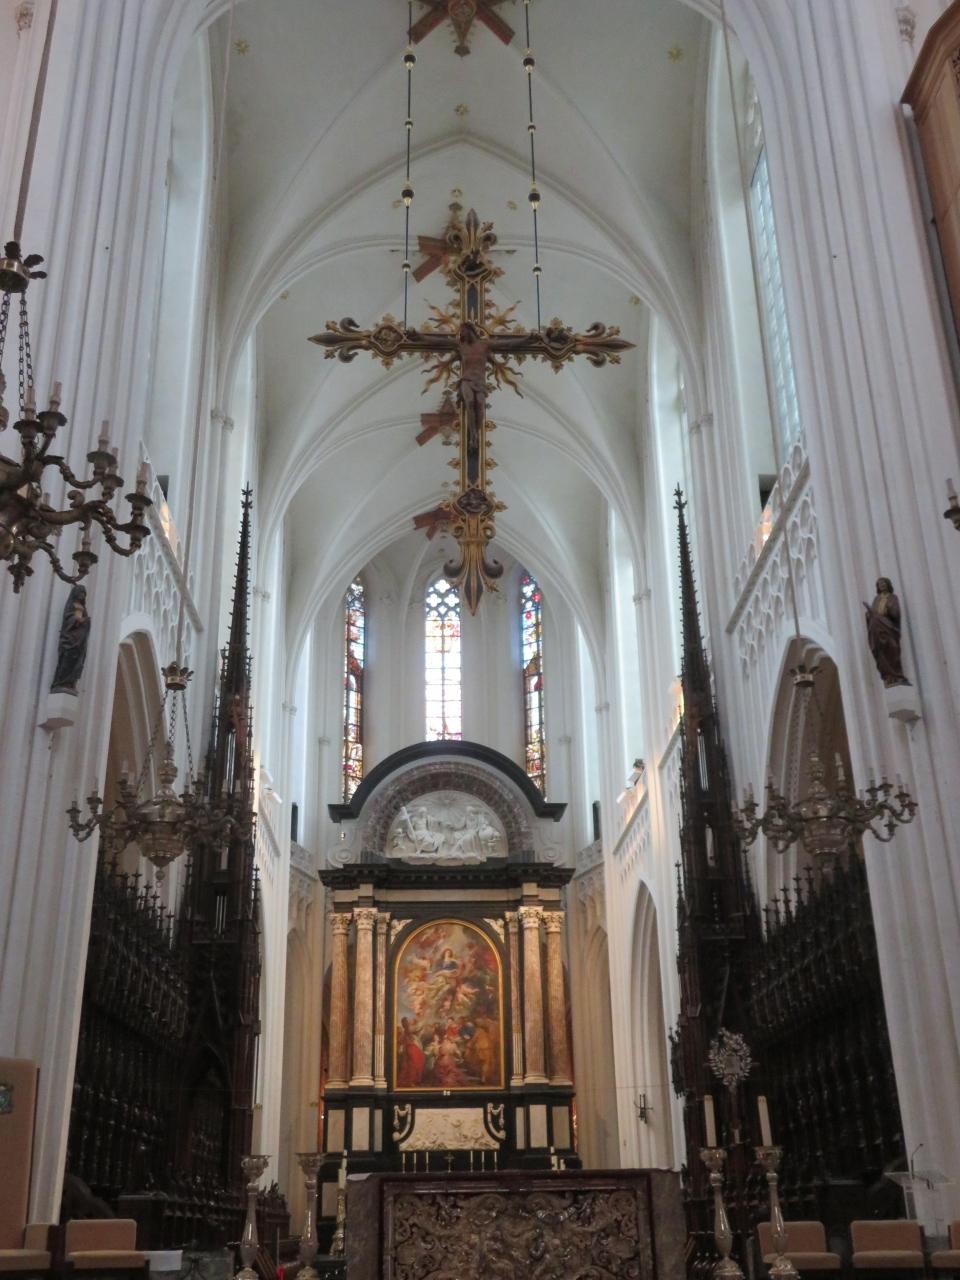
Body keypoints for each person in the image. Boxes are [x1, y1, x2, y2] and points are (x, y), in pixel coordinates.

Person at [863, 577, 910, 687]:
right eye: (880, 584)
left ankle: (896, 675)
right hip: (876, 629)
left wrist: (888, 607)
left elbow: (895, 614)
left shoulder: (893, 597)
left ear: (888, 584)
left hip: (888, 627)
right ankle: (888, 676)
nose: (882, 585)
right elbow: (873, 614)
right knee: (880, 651)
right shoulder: (876, 599)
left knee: (892, 648)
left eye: (883, 583)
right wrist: (869, 614)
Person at [50, 584, 91, 694]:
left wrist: (85, 621)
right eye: (81, 593)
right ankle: (61, 682)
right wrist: (76, 620)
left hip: (79, 642)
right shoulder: (71, 605)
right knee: (67, 661)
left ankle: (70, 682)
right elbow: (68, 619)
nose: (82, 595)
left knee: (77, 662)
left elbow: (84, 621)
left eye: (84, 593)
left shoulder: (83, 609)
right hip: (70, 640)